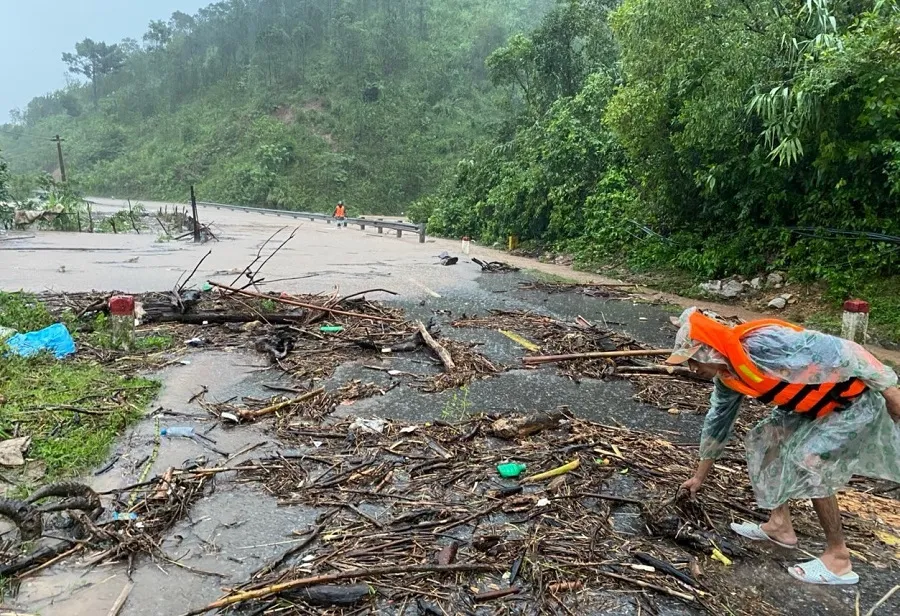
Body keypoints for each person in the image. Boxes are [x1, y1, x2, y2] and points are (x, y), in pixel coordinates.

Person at [668, 307, 900, 585]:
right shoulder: (727, 377)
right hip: (809, 408)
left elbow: (849, 351)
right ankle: (780, 526)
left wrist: (891, 393)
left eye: (693, 360)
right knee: (765, 441)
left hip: (851, 402)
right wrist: (699, 476)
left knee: (810, 458)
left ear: (710, 351)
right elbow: (717, 425)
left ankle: (839, 559)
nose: (693, 369)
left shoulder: (764, 343)